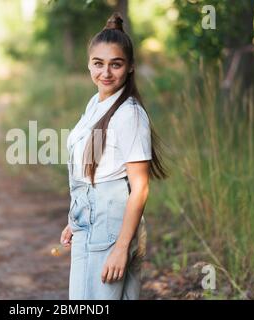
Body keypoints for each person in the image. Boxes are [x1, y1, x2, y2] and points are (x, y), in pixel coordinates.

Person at [59, 12, 168, 300]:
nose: (105, 73)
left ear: (130, 67)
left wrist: (121, 247)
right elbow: (98, 168)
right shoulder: (97, 102)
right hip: (95, 220)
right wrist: (78, 217)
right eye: (98, 64)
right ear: (88, 65)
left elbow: (140, 187)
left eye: (115, 64)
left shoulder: (129, 114)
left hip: (109, 228)